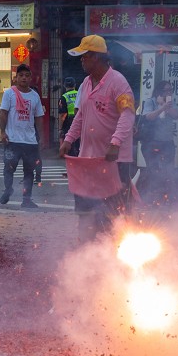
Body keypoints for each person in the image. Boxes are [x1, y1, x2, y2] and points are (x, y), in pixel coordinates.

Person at [59, 35, 137, 240]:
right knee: (86, 209)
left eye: (84, 56)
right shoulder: (85, 84)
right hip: (88, 159)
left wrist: (116, 143)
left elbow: (128, 115)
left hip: (114, 159)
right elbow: (80, 117)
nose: (81, 60)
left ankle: (115, 249)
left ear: (95, 57)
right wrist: (68, 140)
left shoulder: (118, 82)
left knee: (114, 210)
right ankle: (86, 248)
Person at [0, 63, 45, 209]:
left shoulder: (34, 96)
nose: (24, 78)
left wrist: (41, 137)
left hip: (30, 141)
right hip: (12, 139)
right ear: (16, 78)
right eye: (21, 75)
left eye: (26, 75)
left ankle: (26, 199)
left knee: (29, 171)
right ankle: (8, 189)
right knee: (9, 168)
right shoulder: (9, 93)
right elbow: (3, 113)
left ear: (30, 78)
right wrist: (2, 132)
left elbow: (38, 117)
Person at [135, 80, 178, 202]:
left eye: (171, 90)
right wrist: (162, 108)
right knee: (152, 170)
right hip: (151, 143)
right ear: (160, 91)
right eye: (167, 90)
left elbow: (176, 115)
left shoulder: (170, 103)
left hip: (167, 143)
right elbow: (148, 116)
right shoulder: (151, 102)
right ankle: (149, 198)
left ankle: (165, 198)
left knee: (168, 170)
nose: (169, 92)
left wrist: (167, 106)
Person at [58, 75, 80, 157]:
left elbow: (62, 115)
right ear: (75, 85)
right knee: (79, 142)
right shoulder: (79, 94)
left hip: (69, 122)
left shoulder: (63, 97)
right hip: (81, 121)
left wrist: (60, 128)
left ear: (64, 86)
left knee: (70, 142)